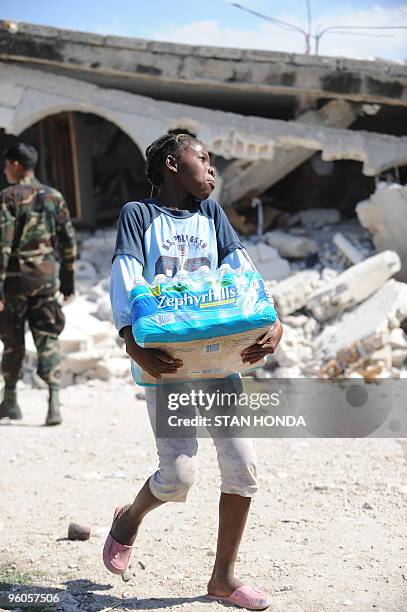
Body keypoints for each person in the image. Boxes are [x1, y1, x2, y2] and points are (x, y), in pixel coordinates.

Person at [105, 133, 283, 610]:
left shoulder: (213, 215)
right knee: (178, 477)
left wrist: (273, 319)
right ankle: (130, 518)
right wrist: (130, 341)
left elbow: (242, 273)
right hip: (169, 363)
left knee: (242, 467)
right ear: (170, 164)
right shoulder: (138, 215)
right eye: (202, 159)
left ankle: (223, 579)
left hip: (220, 361)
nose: (211, 169)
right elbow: (126, 276)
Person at [0, 143, 76, 426]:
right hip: (45, 279)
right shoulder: (54, 197)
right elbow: (68, 242)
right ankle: (54, 401)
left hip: (14, 283)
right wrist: (67, 279)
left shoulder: (8, 198)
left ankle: (10, 399)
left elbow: (2, 246)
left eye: (7, 164)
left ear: (17, 165)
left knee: (11, 340)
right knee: (47, 337)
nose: (5, 170)